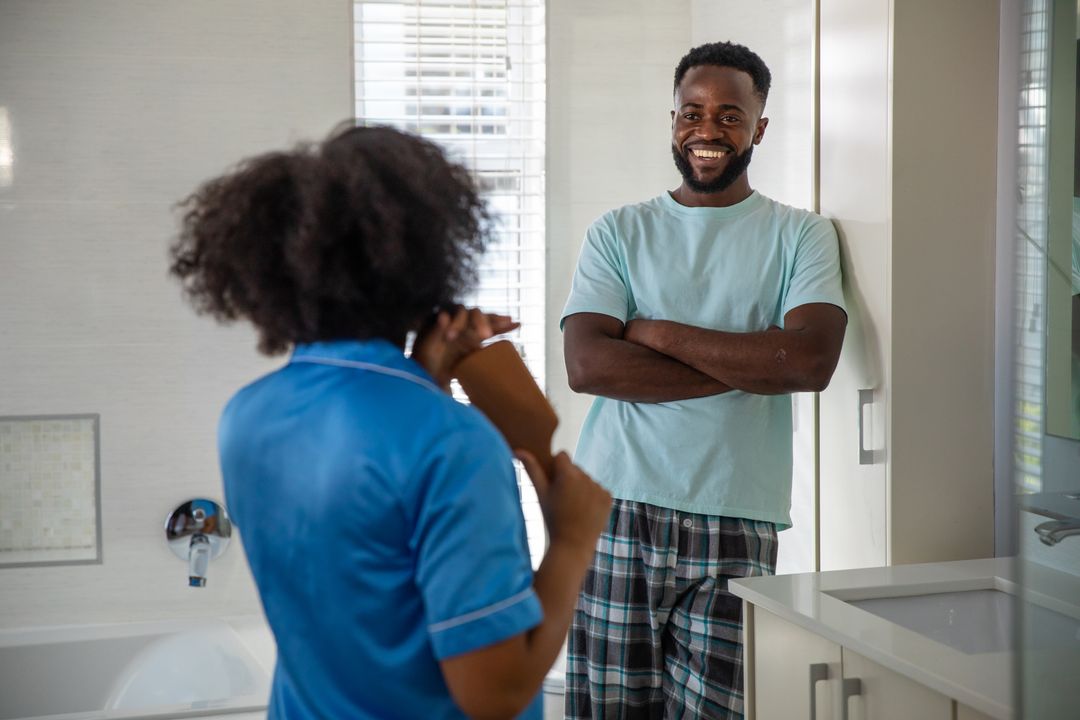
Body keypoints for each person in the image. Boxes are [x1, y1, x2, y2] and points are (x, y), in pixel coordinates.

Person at [169, 123, 612, 720]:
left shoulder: (246, 416)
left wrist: (423, 376)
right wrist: (573, 539)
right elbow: (495, 693)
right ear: (427, 261)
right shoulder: (454, 443)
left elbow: (361, 563)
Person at [561, 42, 847, 718]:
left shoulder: (801, 236)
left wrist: (655, 333)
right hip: (614, 508)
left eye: (729, 115)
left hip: (737, 515)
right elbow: (588, 366)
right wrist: (753, 362)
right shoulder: (619, 232)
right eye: (692, 113)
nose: (707, 131)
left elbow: (807, 363)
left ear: (759, 128)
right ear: (673, 121)